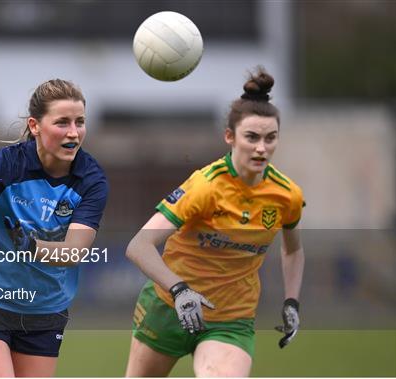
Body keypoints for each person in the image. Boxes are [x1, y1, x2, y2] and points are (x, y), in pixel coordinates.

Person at [125, 67, 305, 377]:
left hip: (231, 319)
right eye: (251, 137)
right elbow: (139, 246)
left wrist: (292, 301)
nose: (261, 147)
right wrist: (181, 291)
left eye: (270, 138)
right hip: (169, 308)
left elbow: (292, 251)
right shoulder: (205, 186)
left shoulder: (286, 195)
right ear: (230, 137)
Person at [0, 79, 108, 377]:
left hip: (45, 306)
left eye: (80, 122)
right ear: (35, 125)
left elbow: (73, 252)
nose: (73, 132)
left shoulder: (91, 180)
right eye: (62, 122)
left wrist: (30, 246)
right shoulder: (10, 162)